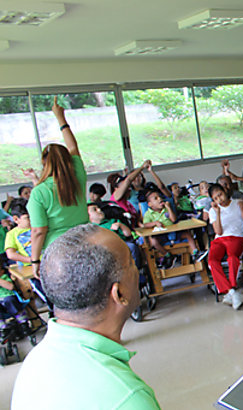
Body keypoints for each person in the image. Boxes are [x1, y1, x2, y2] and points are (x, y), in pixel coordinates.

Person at [11, 224, 161, 409]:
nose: (137, 270)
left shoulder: (36, 360)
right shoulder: (128, 398)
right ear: (119, 293)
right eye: (131, 263)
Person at [27, 98, 88, 278]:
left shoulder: (39, 192)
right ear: (68, 160)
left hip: (58, 250)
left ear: (44, 164)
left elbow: (38, 231)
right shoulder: (78, 176)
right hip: (85, 240)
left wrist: (35, 260)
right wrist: (60, 118)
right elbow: (73, 146)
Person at [207, 183, 243, 310]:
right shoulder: (212, 211)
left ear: (225, 191)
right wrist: (218, 212)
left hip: (236, 237)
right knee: (212, 261)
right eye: (215, 198)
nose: (219, 199)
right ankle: (231, 291)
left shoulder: (238, 202)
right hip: (219, 239)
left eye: (220, 194)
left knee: (232, 258)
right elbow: (218, 231)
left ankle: (231, 289)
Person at [143, 189, 202, 268]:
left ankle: (195, 253)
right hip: (161, 236)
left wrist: (169, 207)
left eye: (160, 197)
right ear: (150, 204)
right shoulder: (148, 213)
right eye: (155, 198)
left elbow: (173, 219)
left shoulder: (166, 209)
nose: (160, 199)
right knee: (153, 241)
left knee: (188, 234)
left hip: (174, 233)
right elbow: (146, 225)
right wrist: (154, 223)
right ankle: (167, 255)